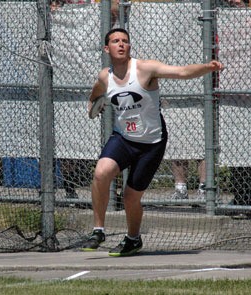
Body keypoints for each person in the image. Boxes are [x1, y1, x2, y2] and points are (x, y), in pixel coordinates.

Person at [81, 28, 224, 257]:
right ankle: (98, 230)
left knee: (130, 196)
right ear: (106, 48)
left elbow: (183, 72)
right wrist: (93, 107)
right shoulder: (104, 76)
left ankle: (133, 239)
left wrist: (207, 67)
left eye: (125, 41)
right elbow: (95, 95)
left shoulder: (145, 69)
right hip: (123, 138)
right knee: (101, 173)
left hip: (151, 142)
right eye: (116, 41)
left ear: (129, 47)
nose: (121, 44)